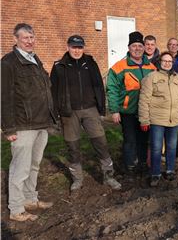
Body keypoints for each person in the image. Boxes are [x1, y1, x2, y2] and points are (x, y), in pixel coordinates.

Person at [50, 35, 121, 191]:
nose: (77, 50)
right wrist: (56, 114)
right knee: (73, 147)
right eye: (74, 47)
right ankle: (77, 179)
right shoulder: (59, 66)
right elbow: (53, 92)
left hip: (90, 110)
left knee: (101, 144)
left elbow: (98, 87)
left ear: (83, 48)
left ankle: (109, 176)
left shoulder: (90, 63)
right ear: (68, 47)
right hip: (69, 113)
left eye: (80, 47)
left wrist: (101, 108)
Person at [1, 23, 56, 222]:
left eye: (32, 37)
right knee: (20, 168)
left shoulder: (34, 59)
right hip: (23, 125)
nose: (30, 41)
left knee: (34, 164)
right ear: (15, 39)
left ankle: (30, 199)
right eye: (25, 38)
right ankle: (16, 209)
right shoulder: (8, 63)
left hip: (41, 123)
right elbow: (4, 97)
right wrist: (8, 128)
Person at [106, 31, 156, 176]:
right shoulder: (119, 67)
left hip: (145, 112)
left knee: (143, 139)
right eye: (134, 46)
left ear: (144, 48)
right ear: (129, 48)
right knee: (130, 139)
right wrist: (114, 110)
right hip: (127, 111)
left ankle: (142, 163)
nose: (137, 49)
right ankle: (129, 165)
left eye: (140, 46)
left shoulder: (151, 67)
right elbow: (112, 89)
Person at [139, 52, 178, 186]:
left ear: (173, 63)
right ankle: (155, 173)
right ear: (160, 62)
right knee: (156, 147)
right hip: (157, 120)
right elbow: (144, 100)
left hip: (174, 120)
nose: (167, 63)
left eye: (170, 61)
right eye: (164, 61)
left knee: (172, 147)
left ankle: (169, 170)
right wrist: (144, 120)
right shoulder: (151, 77)